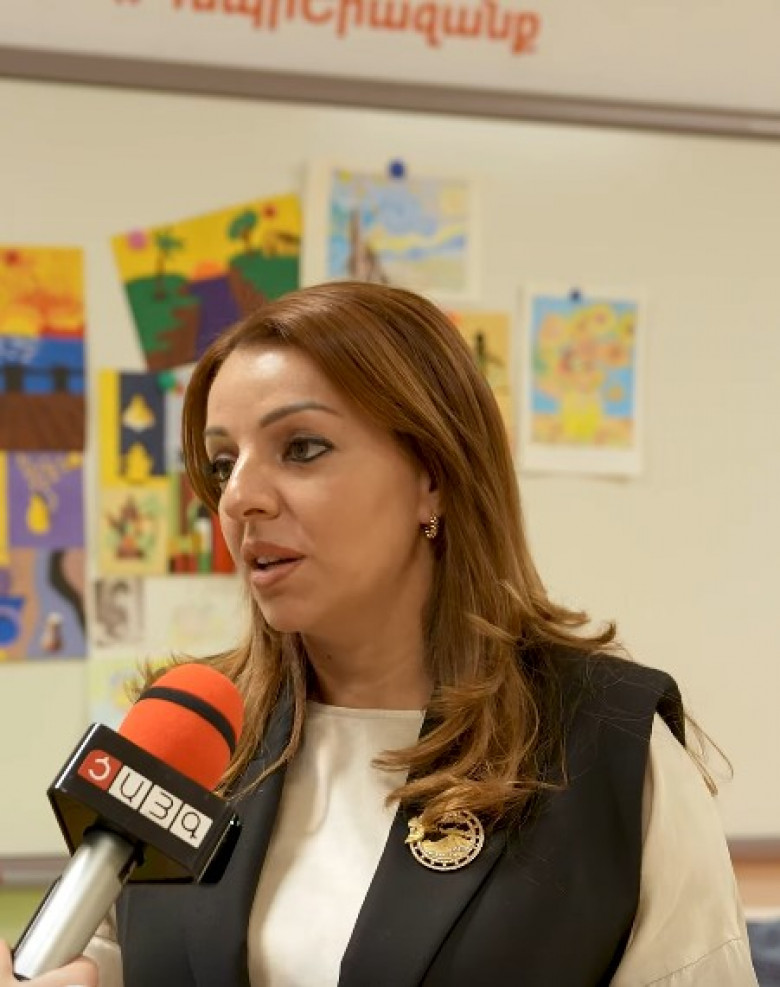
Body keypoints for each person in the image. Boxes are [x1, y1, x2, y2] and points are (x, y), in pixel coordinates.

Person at [2, 281, 757, 985]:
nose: (240, 498)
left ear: (434, 475)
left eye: (301, 447)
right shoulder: (194, 732)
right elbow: (95, 960)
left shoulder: (610, 745)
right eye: (223, 463)